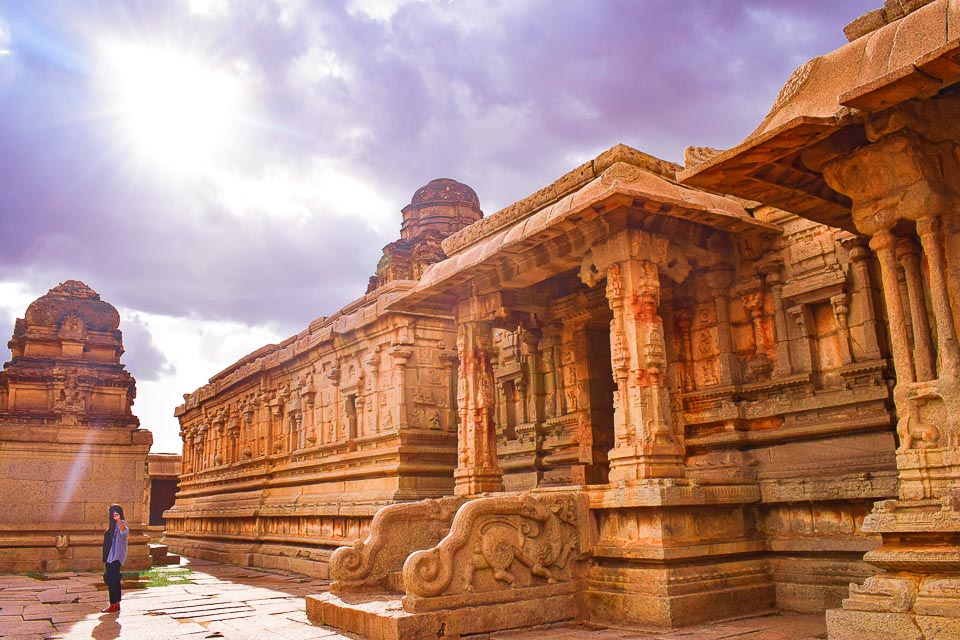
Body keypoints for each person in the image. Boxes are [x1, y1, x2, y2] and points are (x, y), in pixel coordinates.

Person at [101, 504, 128, 614]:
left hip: (115, 558)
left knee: (113, 580)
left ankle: (113, 604)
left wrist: (118, 520)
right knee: (113, 580)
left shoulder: (120, 524)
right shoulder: (112, 526)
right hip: (109, 557)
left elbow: (124, 531)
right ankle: (116, 603)